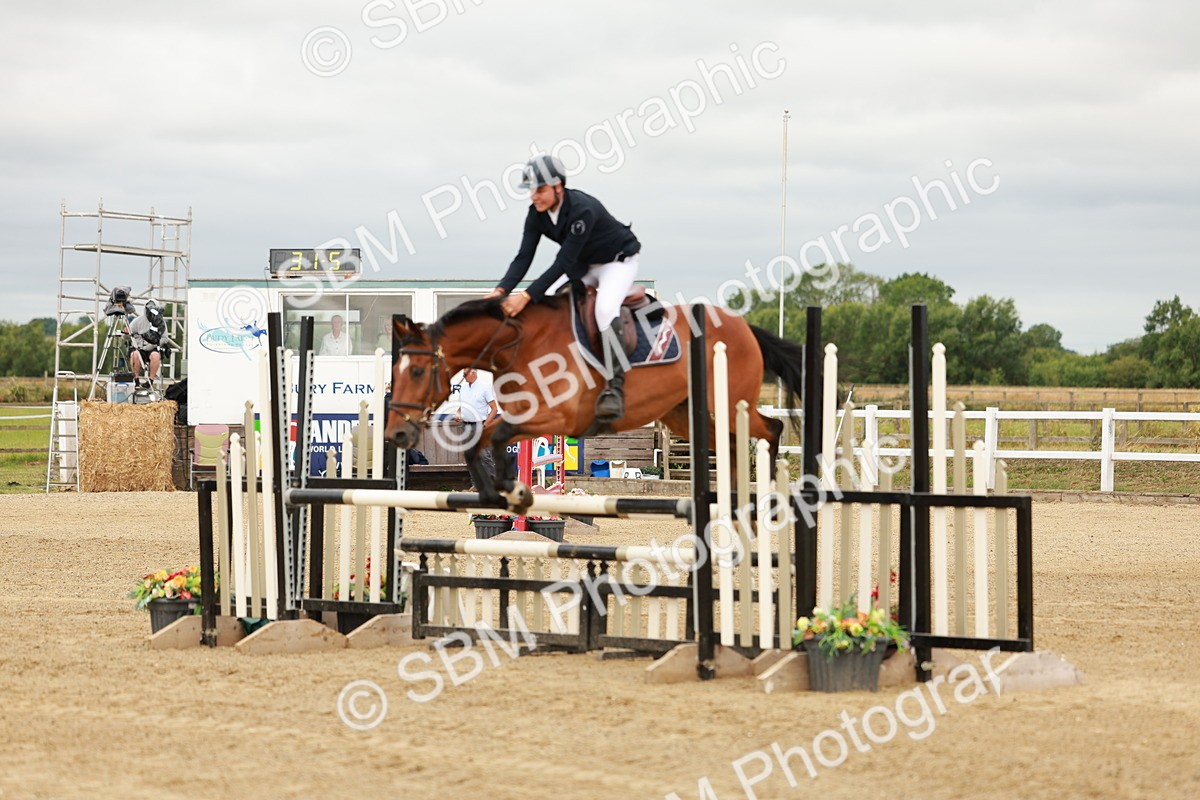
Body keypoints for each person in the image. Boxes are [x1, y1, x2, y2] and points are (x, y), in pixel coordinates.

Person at [485, 154, 641, 422]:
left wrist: (524, 296)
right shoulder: (537, 214)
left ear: (558, 187)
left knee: (604, 309)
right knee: (544, 301)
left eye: (540, 189)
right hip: (585, 264)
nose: (534, 196)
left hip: (618, 261)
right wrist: (501, 291)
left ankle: (614, 388)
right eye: (532, 190)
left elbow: (563, 262)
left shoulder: (582, 210)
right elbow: (524, 257)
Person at [449, 368, 500, 481]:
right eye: (463, 374)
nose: (464, 376)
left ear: (474, 373)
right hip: (466, 425)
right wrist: (457, 413)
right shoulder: (463, 388)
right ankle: (476, 484)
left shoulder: (485, 387)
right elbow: (462, 406)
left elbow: (494, 408)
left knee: (484, 455)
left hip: (479, 425)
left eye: (465, 374)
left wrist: (486, 424)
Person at [126, 300, 170, 386]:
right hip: (138, 347)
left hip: (153, 347)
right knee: (135, 355)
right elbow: (126, 336)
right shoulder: (137, 321)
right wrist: (127, 333)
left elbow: (165, 338)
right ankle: (136, 380)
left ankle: (150, 381)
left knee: (156, 356)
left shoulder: (161, 322)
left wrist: (154, 344)